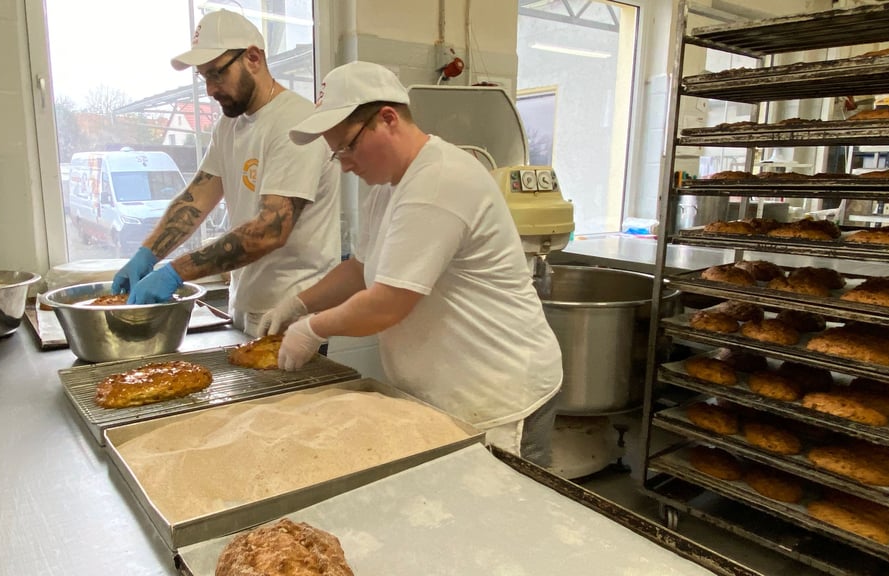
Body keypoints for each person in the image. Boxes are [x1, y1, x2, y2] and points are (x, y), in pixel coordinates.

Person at [258, 61, 563, 465]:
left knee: (502, 519)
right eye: (336, 155)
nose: (345, 164)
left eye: (347, 147)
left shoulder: (439, 179)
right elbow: (360, 269)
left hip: (499, 395)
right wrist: (298, 303)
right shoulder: (385, 187)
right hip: (445, 396)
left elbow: (386, 303)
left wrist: (312, 329)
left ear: (387, 119)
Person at [112, 10, 340, 337]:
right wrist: (147, 253)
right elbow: (196, 199)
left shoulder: (295, 122)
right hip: (247, 306)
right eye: (202, 77)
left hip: (293, 315)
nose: (209, 89)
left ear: (253, 58)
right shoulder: (229, 125)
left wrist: (176, 271)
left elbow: (270, 229)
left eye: (216, 74)